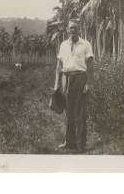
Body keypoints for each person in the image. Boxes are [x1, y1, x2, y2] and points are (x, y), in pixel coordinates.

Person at [54, 19, 94, 152]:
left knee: (80, 112)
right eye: (71, 28)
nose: (73, 30)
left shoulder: (86, 44)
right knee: (69, 112)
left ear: (79, 29)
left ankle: (81, 144)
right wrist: (56, 84)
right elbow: (59, 66)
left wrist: (88, 82)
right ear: (67, 30)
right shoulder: (63, 45)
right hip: (66, 79)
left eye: (75, 28)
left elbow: (90, 65)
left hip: (80, 78)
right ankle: (69, 142)